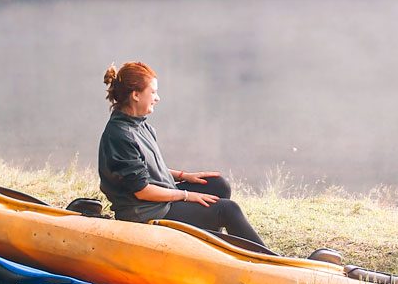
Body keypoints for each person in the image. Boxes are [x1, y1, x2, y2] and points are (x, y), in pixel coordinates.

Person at [96, 61, 270, 252]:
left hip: (158, 201)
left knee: (217, 184)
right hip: (144, 212)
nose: (157, 98)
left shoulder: (139, 124)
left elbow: (143, 169)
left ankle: (205, 247)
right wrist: (187, 195)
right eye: (152, 92)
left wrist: (183, 176)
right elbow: (142, 190)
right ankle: (272, 264)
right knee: (228, 210)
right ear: (136, 95)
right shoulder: (121, 135)